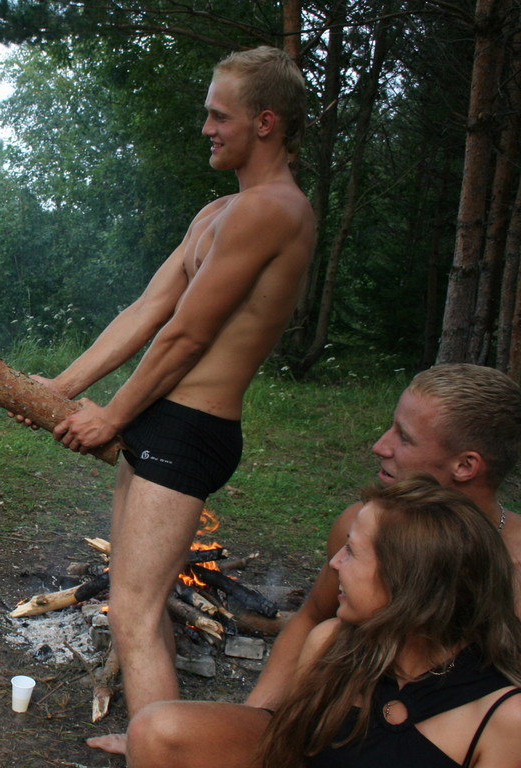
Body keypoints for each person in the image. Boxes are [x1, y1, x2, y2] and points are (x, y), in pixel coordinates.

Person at [26, 46, 314, 753]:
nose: (207, 126)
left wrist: (112, 416)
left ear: (266, 122)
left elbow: (188, 336)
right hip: (163, 419)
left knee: (133, 605)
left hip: (190, 428)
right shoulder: (219, 211)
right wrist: (64, 388)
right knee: (136, 595)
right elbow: (147, 311)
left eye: (221, 115)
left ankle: (172, 753)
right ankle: (153, 738)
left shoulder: (274, 211)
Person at [127, 363, 521, 766]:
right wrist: (259, 717)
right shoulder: (361, 524)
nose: (380, 446)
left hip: (441, 741)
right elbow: (312, 617)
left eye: (404, 437)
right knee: (162, 731)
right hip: (337, 726)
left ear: (466, 466)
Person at [258, 476, 521, 767]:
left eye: (352, 551)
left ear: (407, 583)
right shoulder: (330, 646)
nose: (335, 563)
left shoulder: (504, 717)